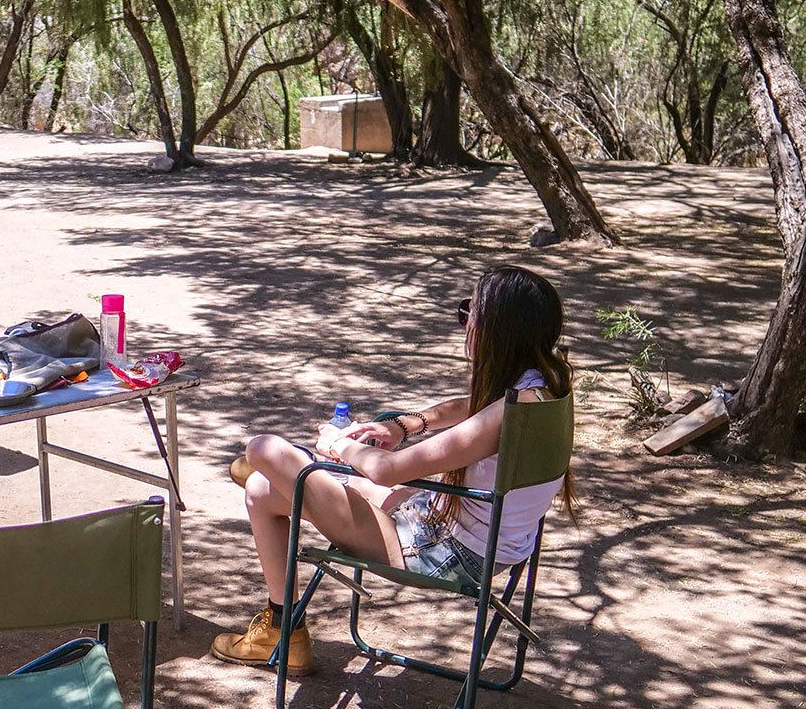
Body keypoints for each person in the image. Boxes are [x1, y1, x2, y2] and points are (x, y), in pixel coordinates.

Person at [212, 264, 574, 675]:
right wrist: (406, 424)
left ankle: (300, 468)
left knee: (265, 450)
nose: (464, 324)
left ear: (497, 330)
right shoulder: (544, 385)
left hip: (443, 552)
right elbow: (471, 407)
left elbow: (387, 471)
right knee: (261, 488)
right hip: (461, 529)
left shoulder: (509, 414)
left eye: (469, 314)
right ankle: (284, 630)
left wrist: (341, 445)